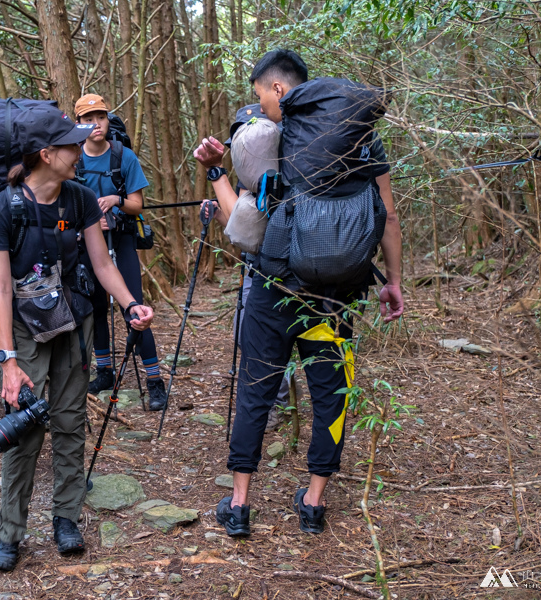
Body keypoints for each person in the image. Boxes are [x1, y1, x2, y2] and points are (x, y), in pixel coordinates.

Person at [194, 49, 404, 537]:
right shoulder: (362, 140)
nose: (261, 104)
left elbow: (244, 227)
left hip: (273, 291)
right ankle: (313, 503)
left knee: (255, 391)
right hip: (336, 296)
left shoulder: (271, 143)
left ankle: (241, 505)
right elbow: (388, 218)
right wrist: (392, 281)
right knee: (331, 395)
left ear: (280, 91)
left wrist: (215, 172)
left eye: (261, 95)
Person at [0, 103, 155, 571]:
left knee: (70, 420)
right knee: (23, 431)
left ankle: (66, 518)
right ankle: (10, 533)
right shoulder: (4, 209)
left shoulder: (77, 198)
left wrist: (129, 303)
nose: (79, 150)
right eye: (70, 145)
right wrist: (8, 361)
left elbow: (102, 264)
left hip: (74, 319)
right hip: (24, 330)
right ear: (44, 154)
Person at [202, 104, 296, 432]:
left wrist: (216, 175)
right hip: (254, 269)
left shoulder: (274, 176)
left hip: (275, 272)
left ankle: (278, 404)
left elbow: (256, 230)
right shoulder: (250, 176)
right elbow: (241, 232)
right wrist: (218, 214)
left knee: (266, 337)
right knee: (247, 335)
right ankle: (272, 400)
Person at [73, 94, 168, 411]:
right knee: (96, 308)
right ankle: (104, 372)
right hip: (87, 243)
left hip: (122, 238)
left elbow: (138, 204)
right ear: (78, 124)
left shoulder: (123, 157)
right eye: (87, 119)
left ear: (106, 119)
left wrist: (115, 201)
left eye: (99, 117)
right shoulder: (73, 160)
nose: (94, 124)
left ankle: (154, 381)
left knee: (134, 310)